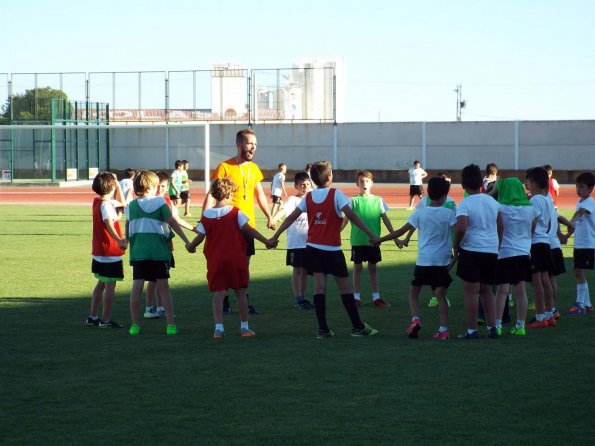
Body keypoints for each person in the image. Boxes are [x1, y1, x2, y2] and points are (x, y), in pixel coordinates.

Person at [270, 161, 379, 338]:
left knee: (319, 288)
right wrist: (370, 233)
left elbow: (290, 218)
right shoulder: (336, 194)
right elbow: (351, 216)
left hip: (313, 248)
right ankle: (357, 327)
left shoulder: (308, 198)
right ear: (330, 177)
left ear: (312, 179)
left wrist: (275, 236)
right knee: (345, 288)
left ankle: (323, 329)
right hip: (332, 249)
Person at [187, 178, 277, 339]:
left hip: (216, 261)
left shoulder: (206, 216)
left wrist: (191, 247)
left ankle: (218, 328)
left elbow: (199, 237)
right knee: (241, 293)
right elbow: (251, 231)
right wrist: (267, 242)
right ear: (228, 194)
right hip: (236, 259)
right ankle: (244, 327)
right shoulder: (236, 213)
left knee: (219, 294)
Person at [202, 128, 274, 315]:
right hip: (227, 224)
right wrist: (204, 216)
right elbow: (212, 193)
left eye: (255, 145)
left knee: (244, 265)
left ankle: (244, 303)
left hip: (246, 225)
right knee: (226, 263)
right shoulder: (224, 167)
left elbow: (260, 195)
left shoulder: (254, 169)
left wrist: (269, 216)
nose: (253, 148)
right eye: (250, 144)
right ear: (239, 145)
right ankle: (224, 300)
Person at [375, 177, 456, 339]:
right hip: (442, 261)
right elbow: (459, 232)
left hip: (424, 261)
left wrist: (380, 240)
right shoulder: (449, 213)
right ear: (445, 196)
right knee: (441, 296)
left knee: (414, 292)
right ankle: (443, 329)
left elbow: (400, 231)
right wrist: (457, 252)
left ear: (427, 194)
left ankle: (415, 319)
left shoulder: (420, 213)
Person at [126, 170, 193, 336]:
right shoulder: (160, 203)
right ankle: (170, 325)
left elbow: (128, 227)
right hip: (158, 252)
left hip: (139, 253)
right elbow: (172, 223)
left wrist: (125, 241)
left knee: (136, 288)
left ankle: (135, 325)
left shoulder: (131, 206)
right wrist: (187, 241)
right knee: (164, 289)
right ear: (152, 186)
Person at [452, 164, 503, 339]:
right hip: (491, 250)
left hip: (471, 250)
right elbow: (500, 226)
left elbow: (461, 228)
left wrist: (456, 246)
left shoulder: (465, 203)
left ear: (463, 184)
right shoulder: (493, 202)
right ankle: (492, 328)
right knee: (487, 291)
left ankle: (472, 330)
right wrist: (497, 245)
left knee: (471, 292)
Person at [144, 171, 196, 320]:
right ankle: (149, 307)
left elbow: (176, 219)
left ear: (167, 187)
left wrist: (193, 228)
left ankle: (159, 307)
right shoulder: (149, 202)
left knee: (162, 278)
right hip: (154, 246)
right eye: (158, 186)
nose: (160, 189)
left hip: (165, 245)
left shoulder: (167, 201)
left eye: (163, 186)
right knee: (152, 279)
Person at [342, 169, 394, 307]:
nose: (364, 183)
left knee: (373, 268)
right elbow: (345, 220)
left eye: (366, 181)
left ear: (372, 183)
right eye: (361, 181)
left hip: (374, 241)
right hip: (358, 241)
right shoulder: (353, 201)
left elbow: (386, 219)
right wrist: (336, 233)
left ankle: (376, 297)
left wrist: (394, 236)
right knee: (357, 268)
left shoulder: (378, 200)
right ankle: (356, 297)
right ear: (356, 184)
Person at [406, 171, 456, 308]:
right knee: (434, 271)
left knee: (436, 275)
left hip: (444, 245)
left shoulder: (451, 203)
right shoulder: (424, 202)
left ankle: (439, 296)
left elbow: (456, 226)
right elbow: (413, 222)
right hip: (434, 249)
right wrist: (407, 238)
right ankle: (436, 298)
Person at [493, 178, 535, 336]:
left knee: (502, 290)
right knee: (521, 290)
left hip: (504, 252)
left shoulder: (501, 208)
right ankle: (521, 325)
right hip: (523, 252)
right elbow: (533, 227)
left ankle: (497, 325)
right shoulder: (529, 208)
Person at [87, 172, 128, 328]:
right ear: (110, 187)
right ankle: (105, 320)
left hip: (99, 250)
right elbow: (108, 222)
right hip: (109, 251)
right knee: (110, 286)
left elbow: (123, 204)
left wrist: (116, 185)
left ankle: (93, 316)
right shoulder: (106, 205)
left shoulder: (98, 202)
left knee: (101, 283)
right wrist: (119, 240)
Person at [271, 171, 314, 310]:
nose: (305, 187)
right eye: (302, 185)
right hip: (296, 241)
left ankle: (303, 297)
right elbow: (283, 212)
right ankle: (298, 298)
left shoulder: (312, 200)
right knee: (297, 269)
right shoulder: (293, 201)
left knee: (306, 270)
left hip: (310, 241)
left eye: (307, 184)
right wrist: (273, 219)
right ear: (296, 186)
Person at [566, 171, 595, 314]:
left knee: (579, 272)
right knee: (578, 272)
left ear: (590, 189)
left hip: (587, 244)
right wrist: (567, 234)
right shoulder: (579, 202)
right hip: (579, 243)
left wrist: (569, 222)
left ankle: (580, 304)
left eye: (582, 187)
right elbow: (577, 223)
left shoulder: (589, 202)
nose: (578, 190)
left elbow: (581, 213)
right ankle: (587, 305)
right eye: (577, 186)